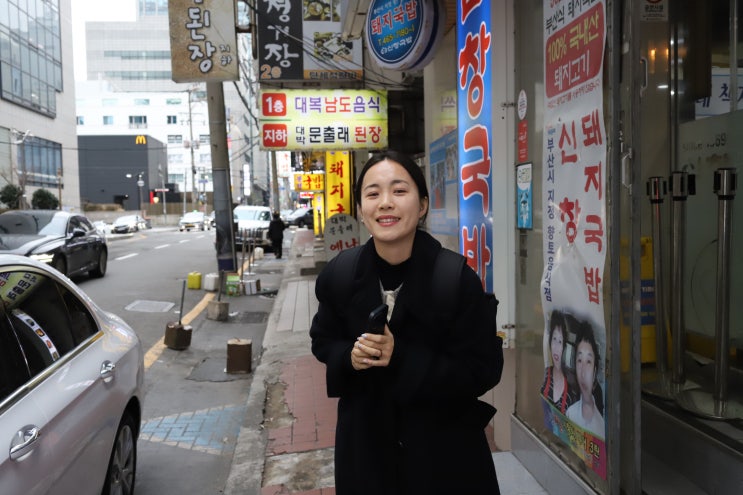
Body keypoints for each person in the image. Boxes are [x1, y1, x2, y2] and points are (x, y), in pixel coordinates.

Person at [310, 150, 503, 494]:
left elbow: (482, 371)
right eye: (373, 193)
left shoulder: (455, 279)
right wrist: (350, 357)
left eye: (399, 191)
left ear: (423, 204)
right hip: (366, 456)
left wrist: (399, 356)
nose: (386, 202)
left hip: (446, 459)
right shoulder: (340, 274)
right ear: (361, 210)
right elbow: (323, 341)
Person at [565, 321, 605, 439]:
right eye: (579, 361)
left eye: (588, 362)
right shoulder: (570, 414)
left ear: (595, 371)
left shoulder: (602, 427)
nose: (583, 373)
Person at [540, 310, 577, 414]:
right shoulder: (546, 374)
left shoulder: (572, 389)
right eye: (554, 339)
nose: (556, 347)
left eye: (560, 341)